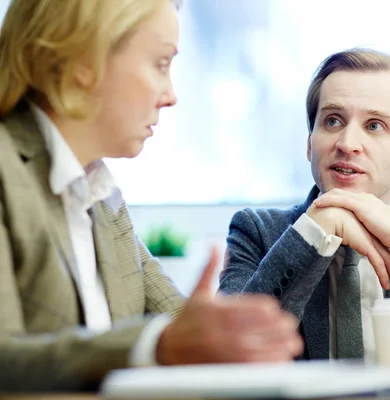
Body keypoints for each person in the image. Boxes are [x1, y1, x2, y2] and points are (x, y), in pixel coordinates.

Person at [0, 0, 302, 392]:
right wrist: (157, 345)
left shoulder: (102, 199)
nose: (171, 95)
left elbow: (188, 329)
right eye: (161, 63)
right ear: (82, 59)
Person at [219, 48, 390, 374]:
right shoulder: (256, 232)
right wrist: (312, 234)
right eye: (333, 120)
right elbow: (228, 358)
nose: (348, 143)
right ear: (311, 143)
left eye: (375, 125)